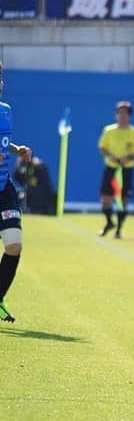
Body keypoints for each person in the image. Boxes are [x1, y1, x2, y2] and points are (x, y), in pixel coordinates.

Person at [0, 60, 33, 322]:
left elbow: (3, 141)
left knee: (14, 244)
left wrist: (17, 149)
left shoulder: (6, 110)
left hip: (4, 188)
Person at [97, 101, 134, 239]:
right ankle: (109, 222)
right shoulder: (108, 130)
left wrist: (129, 157)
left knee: (123, 199)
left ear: (129, 116)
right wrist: (111, 156)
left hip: (126, 169)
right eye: (119, 113)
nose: (122, 116)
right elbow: (102, 147)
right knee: (105, 198)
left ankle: (119, 229)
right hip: (111, 167)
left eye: (125, 113)